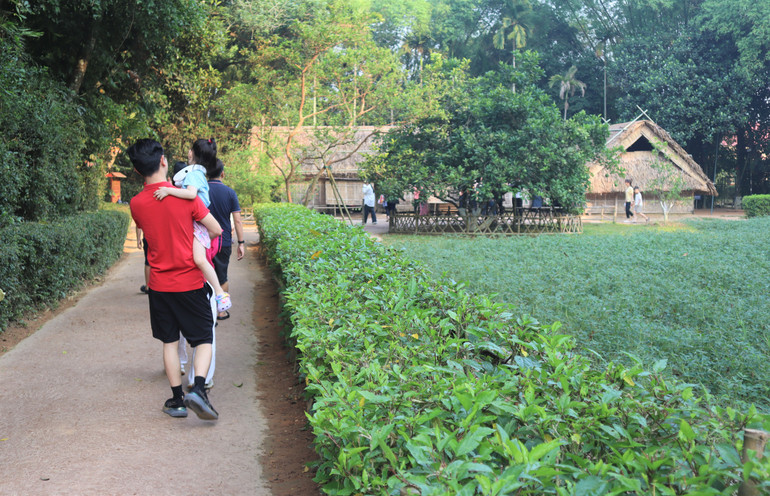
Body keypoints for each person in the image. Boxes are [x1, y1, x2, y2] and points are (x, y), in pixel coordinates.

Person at [127, 138, 220, 420]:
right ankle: (200, 390)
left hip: (158, 286)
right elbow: (215, 229)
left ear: (136, 171)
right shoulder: (184, 197)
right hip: (189, 283)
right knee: (203, 338)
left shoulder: (136, 203)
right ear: (164, 161)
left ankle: (177, 400)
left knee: (169, 342)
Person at [154, 139, 231, 314]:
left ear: (192, 153)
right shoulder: (197, 174)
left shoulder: (193, 175)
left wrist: (168, 190)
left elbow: (190, 194)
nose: (188, 151)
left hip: (199, 223)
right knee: (198, 260)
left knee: (199, 260)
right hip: (198, 222)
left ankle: (220, 293)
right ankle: (216, 293)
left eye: (189, 149)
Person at [207, 159, 245, 320]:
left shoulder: (200, 190)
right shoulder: (230, 193)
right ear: (222, 173)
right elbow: (237, 220)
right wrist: (241, 243)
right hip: (223, 241)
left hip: (203, 240)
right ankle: (221, 310)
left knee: (204, 275)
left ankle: (206, 311)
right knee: (222, 276)